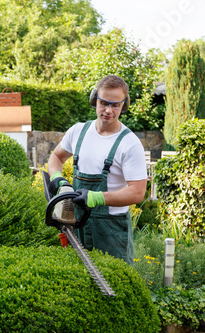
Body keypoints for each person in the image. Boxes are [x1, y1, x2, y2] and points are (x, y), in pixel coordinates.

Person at [47, 75, 147, 266]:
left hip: (111, 230)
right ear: (95, 100)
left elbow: (137, 192)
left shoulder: (129, 143)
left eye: (115, 105)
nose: (108, 110)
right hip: (76, 224)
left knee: (116, 284)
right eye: (104, 103)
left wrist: (97, 198)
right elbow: (56, 157)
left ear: (123, 106)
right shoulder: (78, 132)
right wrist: (58, 179)